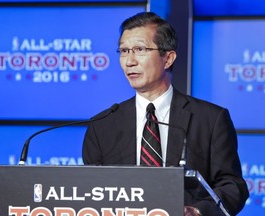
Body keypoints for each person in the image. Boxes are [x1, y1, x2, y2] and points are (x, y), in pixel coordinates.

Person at [82, 12, 248, 216]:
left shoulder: (210, 119)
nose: (129, 61)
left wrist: (196, 211)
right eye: (124, 51)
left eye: (140, 49)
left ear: (168, 58)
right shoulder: (103, 125)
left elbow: (232, 186)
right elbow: (90, 192)